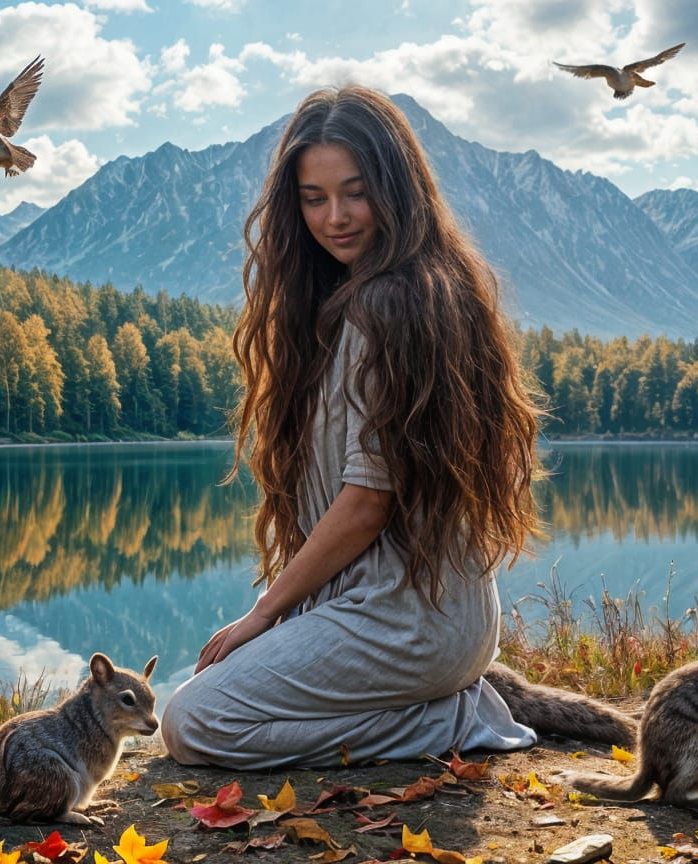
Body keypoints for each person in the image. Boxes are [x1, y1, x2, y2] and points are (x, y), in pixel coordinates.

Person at [159, 85, 546, 769]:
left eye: (356, 192)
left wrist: (264, 614)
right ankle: (438, 705)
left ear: (397, 189)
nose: (335, 217)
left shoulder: (390, 306)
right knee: (203, 709)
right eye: (314, 198)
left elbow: (368, 502)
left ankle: (451, 719)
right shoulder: (370, 297)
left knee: (197, 721)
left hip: (410, 621)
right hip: (413, 614)